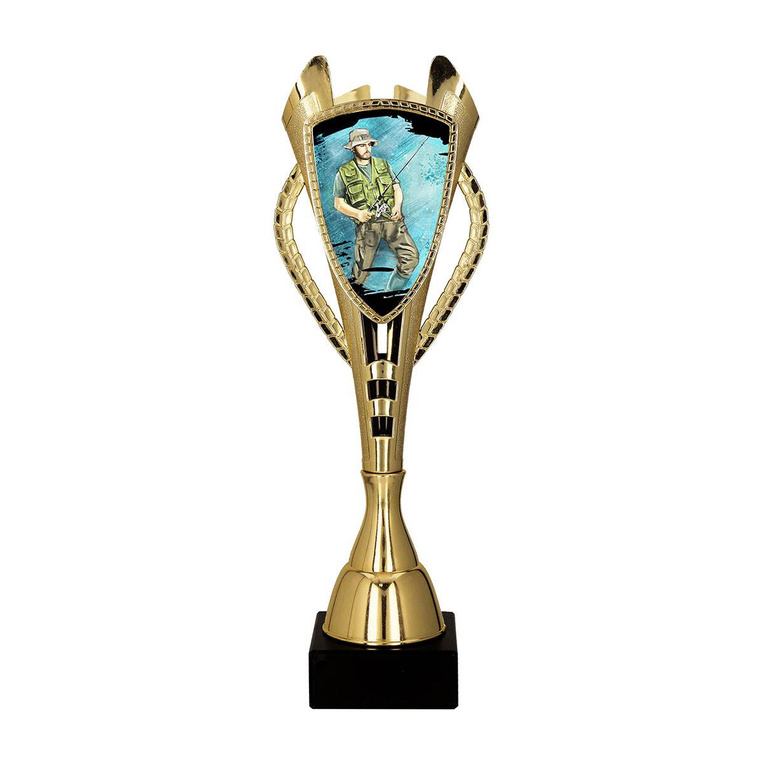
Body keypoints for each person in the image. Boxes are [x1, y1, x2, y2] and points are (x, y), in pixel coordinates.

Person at [332, 128, 419, 291]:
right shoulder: (343, 172)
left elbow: (396, 187)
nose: (367, 148)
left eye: (369, 144)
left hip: (392, 221)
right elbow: (338, 203)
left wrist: (397, 206)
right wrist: (357, 213)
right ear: (353, 149)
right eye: (361, 145)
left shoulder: (383, 164)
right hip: (367, 227)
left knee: (411, 258)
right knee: (361, 272)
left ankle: (392, 294)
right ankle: (357, 297)